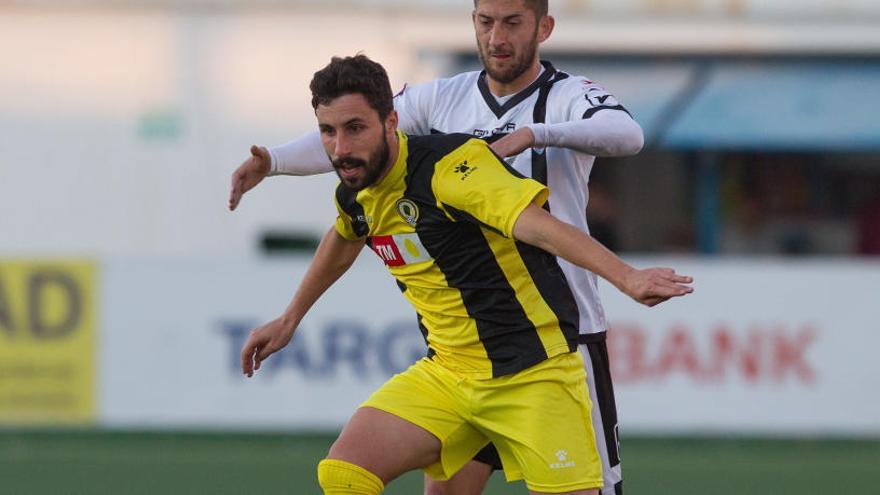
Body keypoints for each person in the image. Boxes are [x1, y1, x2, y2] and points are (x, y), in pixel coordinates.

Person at [231, 2, 644, 493]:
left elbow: (628, 134)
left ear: (543, 27)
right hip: (465, 350)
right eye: (486, 21)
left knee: (597, 486)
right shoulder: (441, 97)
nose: (497, 37)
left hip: (560, 330)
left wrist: (535, 135)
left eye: (512, 22)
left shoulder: (567, 96)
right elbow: (352, 131)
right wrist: (274, 161)